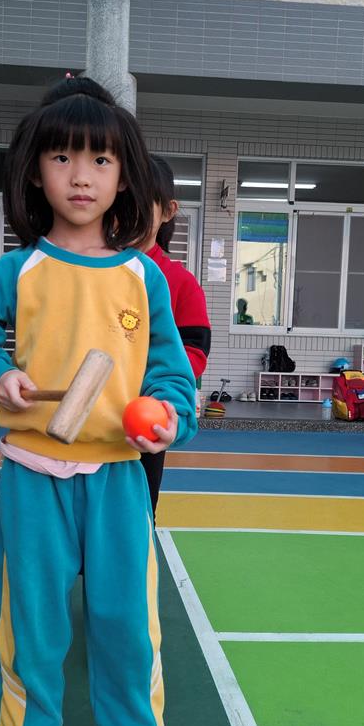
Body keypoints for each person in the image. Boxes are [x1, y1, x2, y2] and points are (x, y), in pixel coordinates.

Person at [0, 76, 197, 726]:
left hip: (116, 478)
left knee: (126, 624)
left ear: (125, 177)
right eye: (61, 158)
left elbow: (170, 377)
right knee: (32, 624)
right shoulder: (17, 272)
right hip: (31, 476)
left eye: (99, 161)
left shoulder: (142, 276)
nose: (80, 176)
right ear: (33, 172)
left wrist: (168, 420)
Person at [139, 155, 211, 518]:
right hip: (87, 423)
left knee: (136, 520)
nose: (126, 213)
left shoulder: (180, 282)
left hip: (143, 419)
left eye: (140, 203)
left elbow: (194, 351)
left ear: (167, 211)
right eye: (118, 201)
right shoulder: (89, 274)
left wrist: (156, 388)